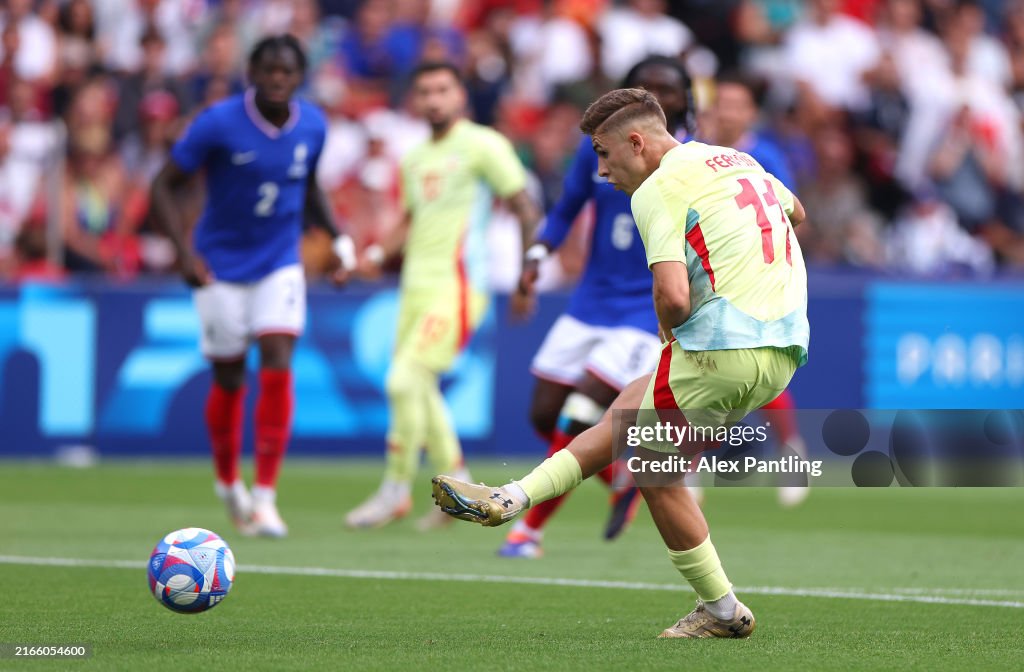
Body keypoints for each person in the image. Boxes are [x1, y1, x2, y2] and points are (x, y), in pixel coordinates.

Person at [433, 87, 808, 639]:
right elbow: (797, 213)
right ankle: (514, 502)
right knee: (635, 434)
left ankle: (512, 502)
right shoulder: (735, 159)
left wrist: (675, 323)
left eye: (605, 156)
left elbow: (674, 297)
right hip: (785, 348)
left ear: (637, 142)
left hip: (724, 348)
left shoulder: (656, 190)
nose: (601, 172)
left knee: (636, 448)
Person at [150, 35, 354, 538]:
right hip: (219, 264)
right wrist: (183, 252)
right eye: (269, 70)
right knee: (229, 379)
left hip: (280, 260)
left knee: (279, 359)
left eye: (287, 71)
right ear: (253, 74)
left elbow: (307, 188)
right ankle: (227, 482)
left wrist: (338, 238)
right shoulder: (218, 122)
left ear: (300, 75)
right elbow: (163, 184)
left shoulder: (313, 124)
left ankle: (265, 497)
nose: (278, 79)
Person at [499, 56, 694, 559]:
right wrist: (538, 253)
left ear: (681, 99)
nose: (655, 96)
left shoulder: (688, 162)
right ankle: (623, 477)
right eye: (645, 87)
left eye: (666, 90)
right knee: (544, 412)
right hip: (590, 300)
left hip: (640, 309)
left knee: (583, 409)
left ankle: (528, 530)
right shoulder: (600, 148)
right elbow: (567, 208)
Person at [344, 61, 539, 530]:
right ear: (416, 100)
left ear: (460, 96)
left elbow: (523, 204)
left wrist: (529, 270)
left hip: (458, 286)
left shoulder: (482, 144)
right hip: (414, 287)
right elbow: (408, 223)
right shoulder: (413, 158)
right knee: (420, 385)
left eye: (443, 90)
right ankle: (459, 487)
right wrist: (370, 256)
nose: (433, 99)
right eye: (425, 91)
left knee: (402, 380)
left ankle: (395, 490)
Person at [704, 71, 809, 507]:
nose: (727, 112)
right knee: (704, 366)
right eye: (720, 103)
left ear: (750, 113)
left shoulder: (767, 156)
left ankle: (791, 452)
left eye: (736, 105)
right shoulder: (698, 154)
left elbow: (790, 215)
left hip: (759, 278)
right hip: (710, 275)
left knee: (760, 365)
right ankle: (693, 464)